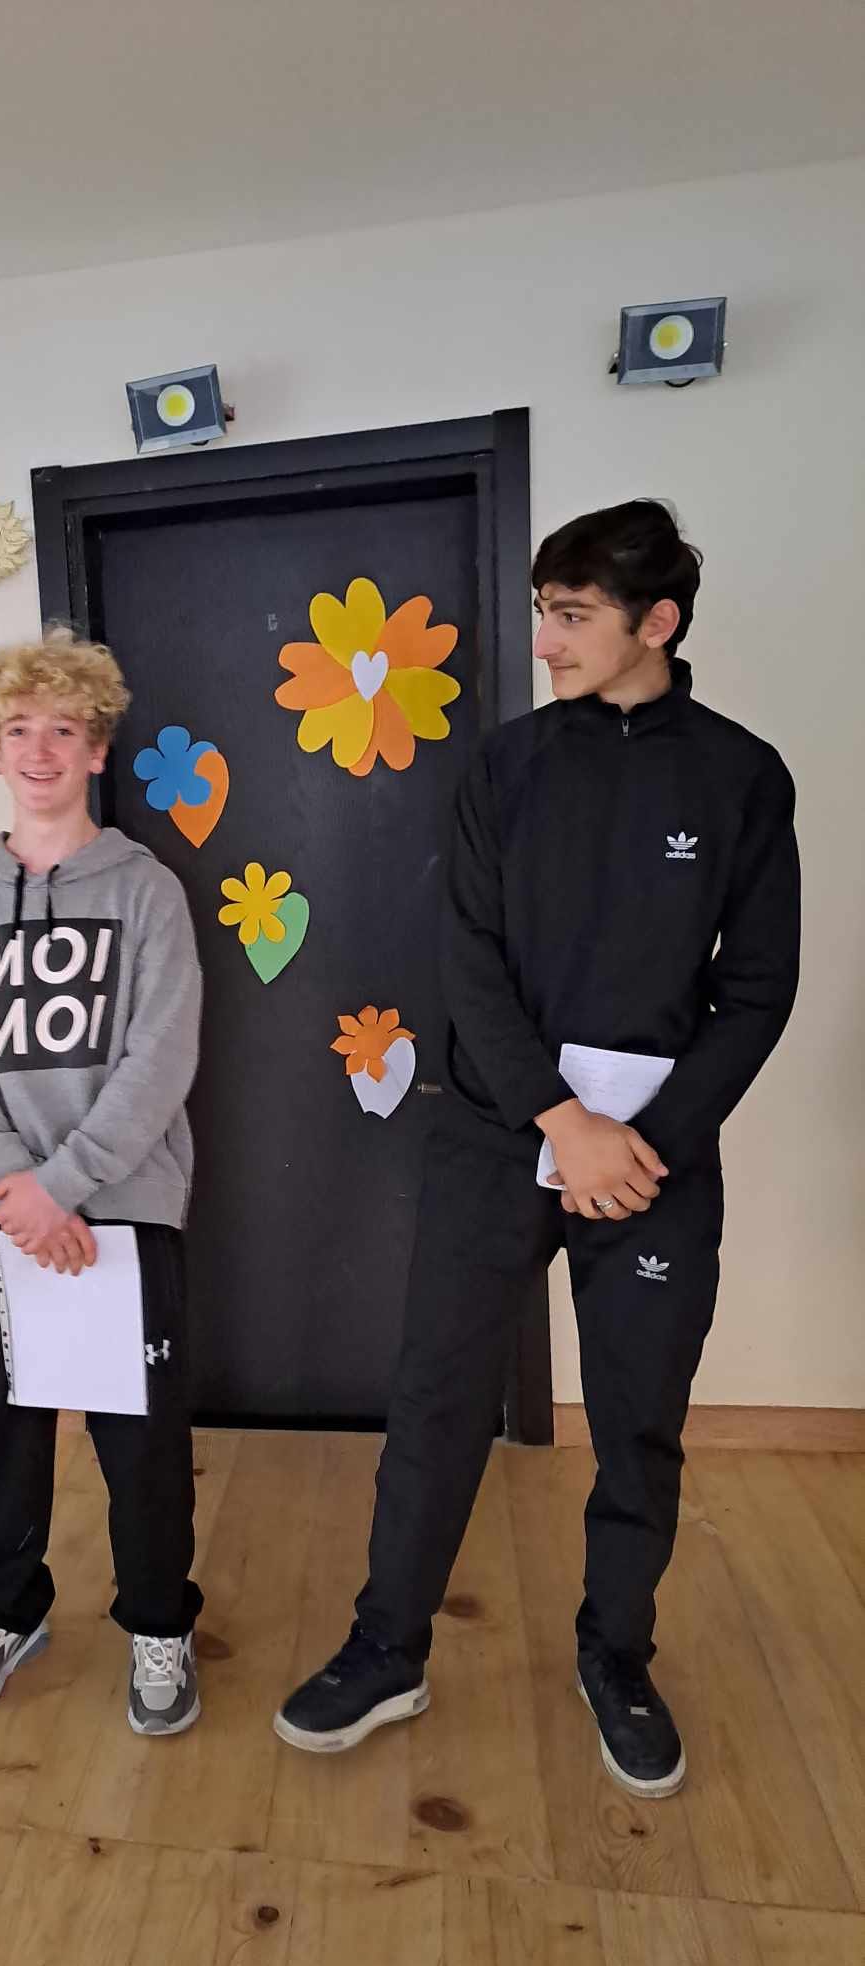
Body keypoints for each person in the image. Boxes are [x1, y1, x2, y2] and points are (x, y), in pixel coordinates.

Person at [275, 500, 800, 1798]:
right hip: (496, 1132)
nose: (547, 640)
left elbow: (757, 988)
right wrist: (564, 1122)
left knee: (638, 1419)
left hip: (655, 1164)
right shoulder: (504, 766)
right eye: (544, 612)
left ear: (656, 622)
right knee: (438, 1399)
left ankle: (617, 1656)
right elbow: (469, 960)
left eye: (572, 615)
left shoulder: (740, 777)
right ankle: (389, 1647)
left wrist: (640, 1145)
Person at [0, 627, 205, 1736]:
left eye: (64, 729)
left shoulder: (148, 891)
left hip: (126, 1210)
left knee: (143, 1441)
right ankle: (5, 1608)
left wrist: (67, 1185)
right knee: (7, 1428)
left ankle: (159, 1622)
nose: (39, 749)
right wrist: (15, 1190)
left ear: (96, 749)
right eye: (18, 729)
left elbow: (160, 1058)